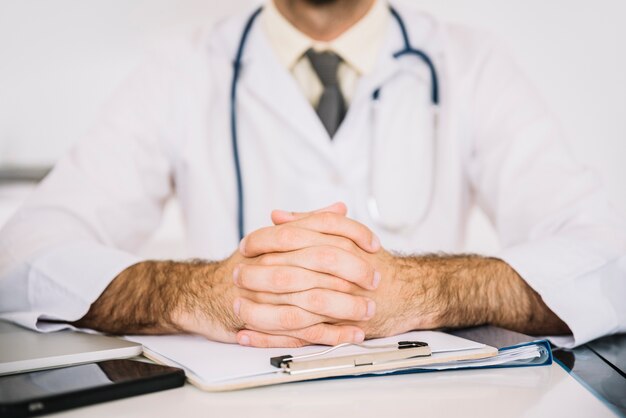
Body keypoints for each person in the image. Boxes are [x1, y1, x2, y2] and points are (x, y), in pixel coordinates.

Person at [0, 0, 624, 349]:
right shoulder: (181, 67)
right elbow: (20, 256)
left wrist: (432, 290)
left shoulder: (470, 62)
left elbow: (608, 258)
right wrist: (195, 294)